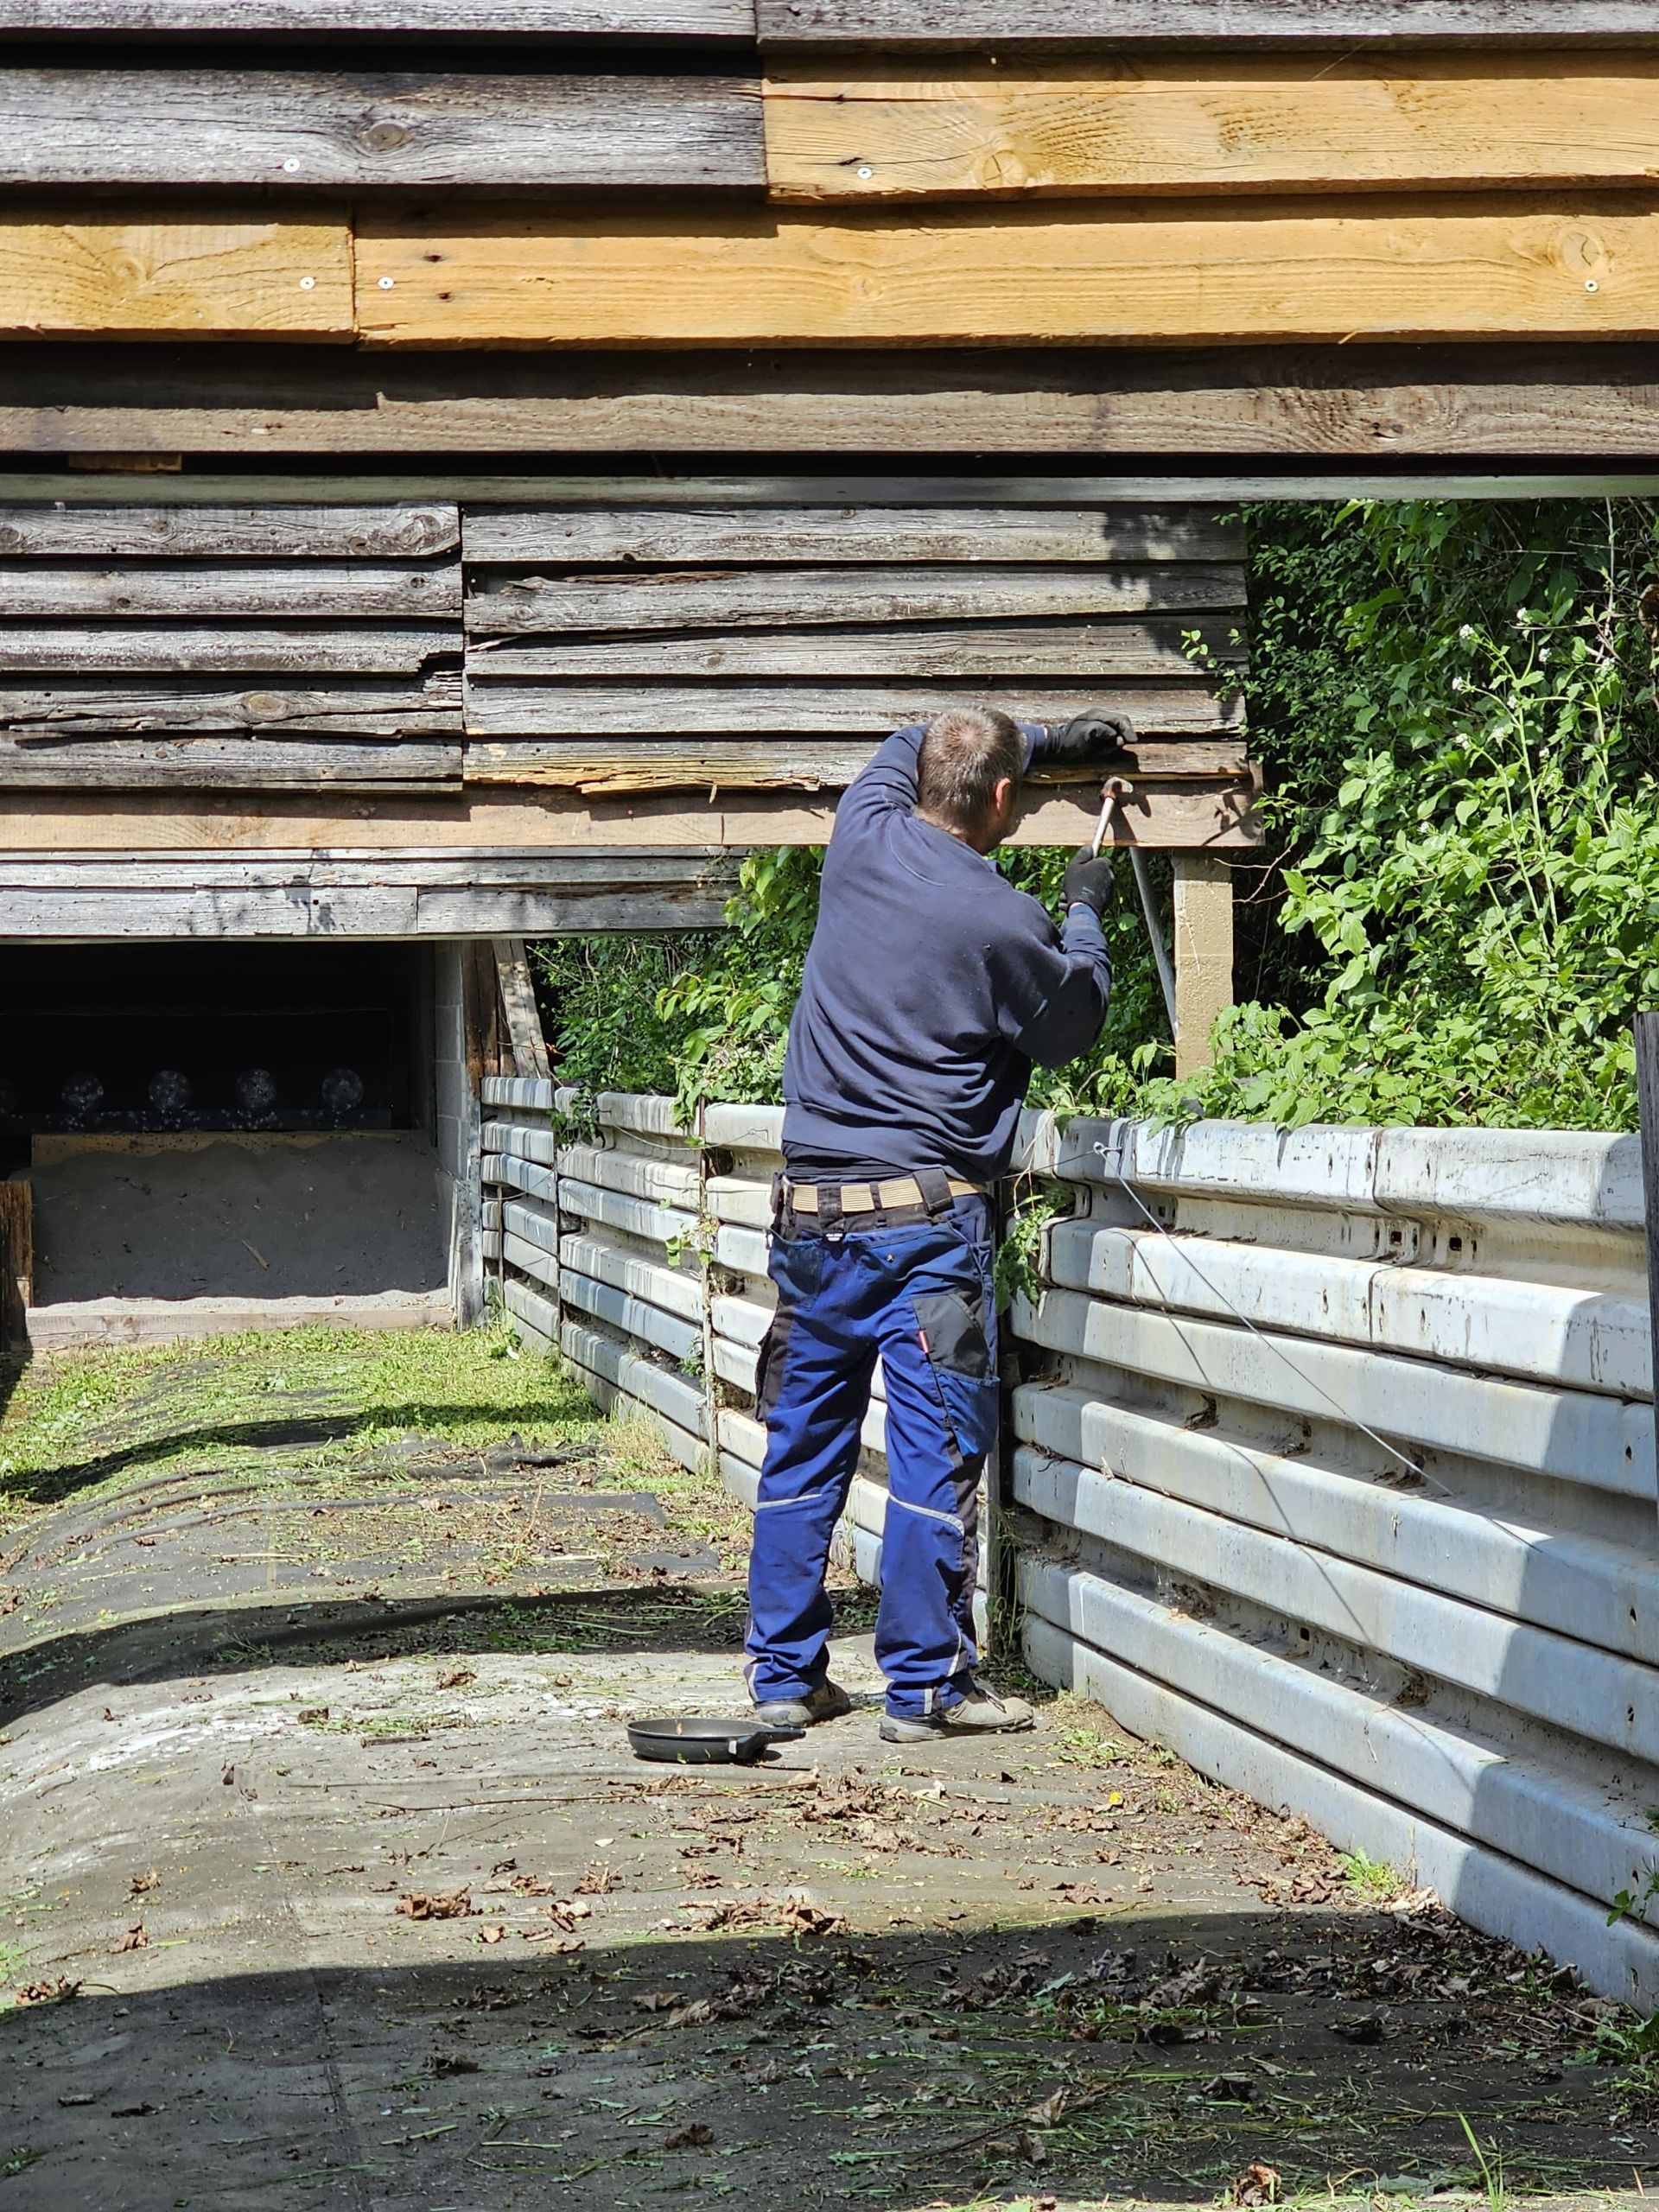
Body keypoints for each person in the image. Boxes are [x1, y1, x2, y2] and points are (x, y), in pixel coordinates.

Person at [743, 702, 1125, 1743]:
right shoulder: (1001, 920)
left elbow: (913, 732)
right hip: (925, 1232)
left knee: (801, 1448)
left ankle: (783, 1677)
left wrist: (1046, 736)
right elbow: (1073, 1020)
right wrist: (1084, 909)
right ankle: (924, 1687)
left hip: (811, 1222)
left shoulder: (861, 835)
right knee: (933, 1454)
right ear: (1001, 799)